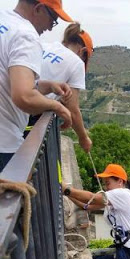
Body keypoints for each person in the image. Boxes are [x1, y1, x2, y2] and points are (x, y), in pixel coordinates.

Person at [0, 0, 73, 172]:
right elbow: (24, 95)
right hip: (4, 144)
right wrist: (58, 107)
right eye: (53, 19)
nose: (50, 28)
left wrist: (47, 86)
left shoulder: (4, 21)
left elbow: (11, 81)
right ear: (39, 9)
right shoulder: (25, 35)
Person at [39, 22, 94, 152]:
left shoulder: (45, 46)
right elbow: (73, 109)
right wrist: (83, 138)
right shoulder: (77, 63)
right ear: (83, 51)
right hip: (31, 120)